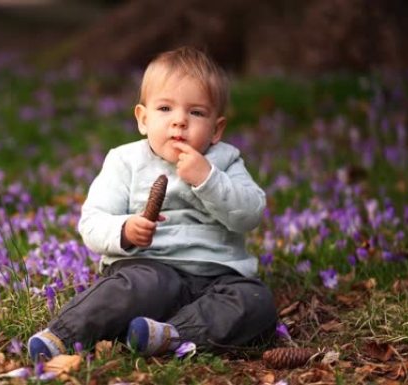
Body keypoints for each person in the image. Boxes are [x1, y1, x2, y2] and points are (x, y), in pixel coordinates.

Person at [27, 46, 277, 361]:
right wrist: (125, 230)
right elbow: (92, 220)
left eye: (196, 112)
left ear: (217, 129)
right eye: (165, 109)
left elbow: (250, 214)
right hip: (150, 268)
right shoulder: (125, 160)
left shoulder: (224, 161)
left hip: (218, 276)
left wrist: (208, 179)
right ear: (143, 119)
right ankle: (64, 334)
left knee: (256, 301)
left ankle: (171, 336)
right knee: (132, 288)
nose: (180, 122)